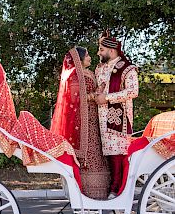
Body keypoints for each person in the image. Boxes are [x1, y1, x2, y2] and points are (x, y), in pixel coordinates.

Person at [51, 47, 110, 199]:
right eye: (88, 55)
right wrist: (94, 95)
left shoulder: (90, 73)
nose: (90, 57)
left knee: (98, 150)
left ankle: (101, 191)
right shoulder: (73, 75)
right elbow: (74, 98)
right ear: (80, 58)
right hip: (83, 123)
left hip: (95, 118)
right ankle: (87, 191)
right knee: (89, 152)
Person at [94, 31, 139, 198]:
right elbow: (100, 88)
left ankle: (117, 189)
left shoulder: (128, 69)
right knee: (109, 154)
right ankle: (113, 187)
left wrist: (107, 98)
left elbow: (133, 91)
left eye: (101, 49)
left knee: (118, 153)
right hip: (101, 117)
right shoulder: (100, 68)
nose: (98, 53)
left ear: (112, 51)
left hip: (119, 118)